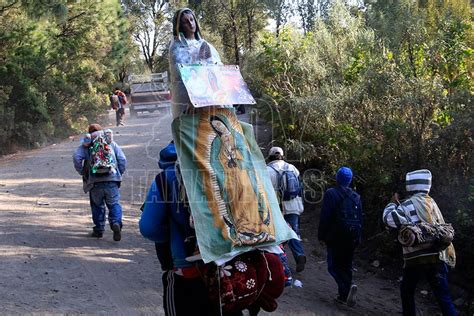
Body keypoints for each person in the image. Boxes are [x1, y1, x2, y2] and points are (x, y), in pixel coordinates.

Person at [140, 142, 285, 316]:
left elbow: (149, 228)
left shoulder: (166, 178)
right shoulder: (231, 167)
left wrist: (172, 236)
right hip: (231, 268)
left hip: (187, 269)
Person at [382, 169, 457, 316]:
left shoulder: (409, 204)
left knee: (407, 290)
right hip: (438, 256)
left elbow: (389, 219)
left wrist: (391, 204)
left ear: (411, 186)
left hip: (417, 258)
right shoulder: (433, 203)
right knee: (443, 296)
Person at [168, 8, 232, 119]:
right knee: (194, 132)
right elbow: (181, 72)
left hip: (212, 95)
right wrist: (195, 98)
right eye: (185, 22)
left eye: (192, 20)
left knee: (220, 128)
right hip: (189, 99)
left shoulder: (205, 44)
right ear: (180, 25)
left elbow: (218, 67)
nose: (190, 24)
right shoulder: (176, 47)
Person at [73, 123, 127, 241]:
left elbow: (77, 157)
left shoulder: (86, 144)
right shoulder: (110, 142)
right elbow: (122, 159)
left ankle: (99, 230)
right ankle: (115, 223)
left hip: (94, 182)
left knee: (97, 206)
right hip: (111, 179)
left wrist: (82, 172)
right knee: (114, 204)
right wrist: (119, 173)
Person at [318, 166, 362, 307]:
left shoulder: (331, 193)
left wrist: (321, 235)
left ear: (337, 178)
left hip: (335, 236)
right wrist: (358, 237)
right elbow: (361, 219)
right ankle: (344, 296)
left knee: (333, 266)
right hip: (352, 236)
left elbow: (325, 217)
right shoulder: (356, 196)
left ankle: (346, 288)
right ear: (350, 180)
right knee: (346, 265)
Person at [267, 146, 306, 272]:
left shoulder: (267, 170)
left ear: (270, 156)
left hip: (277, 207)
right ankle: (299, 254)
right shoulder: (292, 168)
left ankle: (279, 261)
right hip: (293, 206)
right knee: (292, 231)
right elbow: (300, 187)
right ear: (282, 156)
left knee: (278, 234)